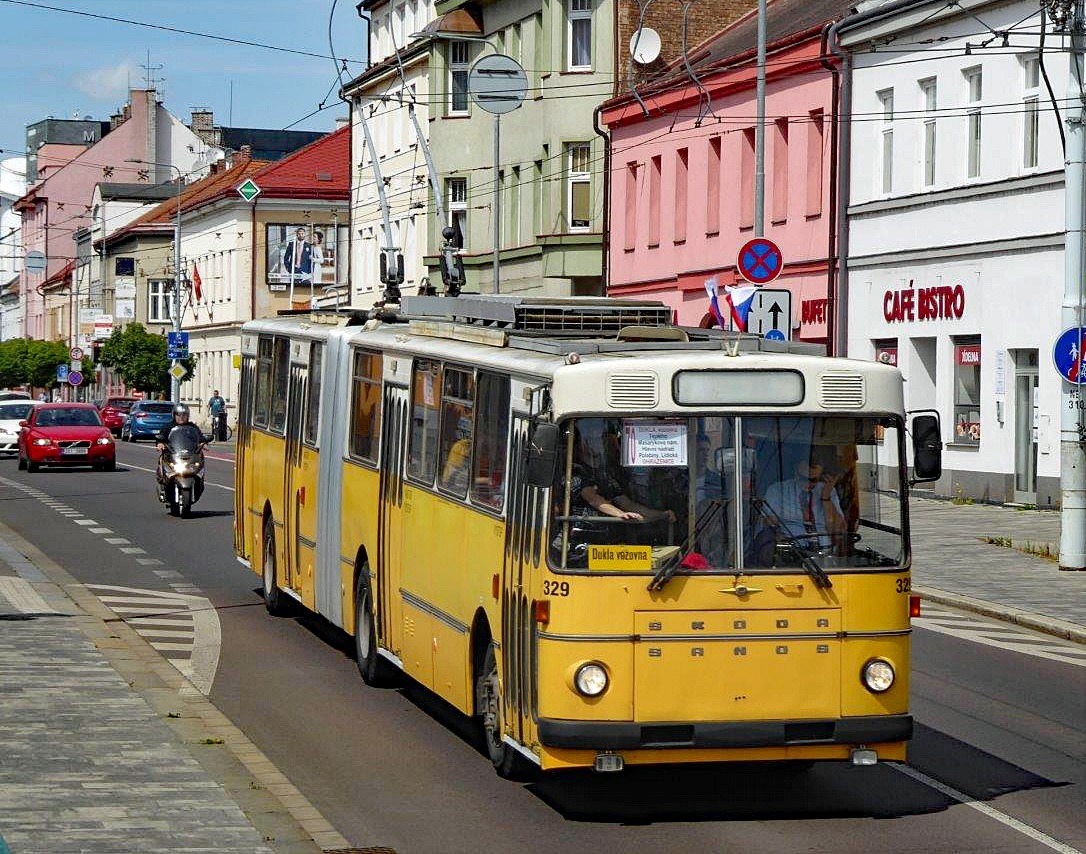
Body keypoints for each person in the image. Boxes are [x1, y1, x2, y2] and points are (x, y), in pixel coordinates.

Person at [761, 458, 845, 552]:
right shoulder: (777, 490)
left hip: (825, 552)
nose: (807, 483)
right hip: (792, 551)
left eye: (813, 480)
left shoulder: (828, 490)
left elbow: (837, 530)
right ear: (795, 471)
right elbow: (768, 525)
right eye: (803, 478)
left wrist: (826, 498)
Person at [154, 404, 206, 501]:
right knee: (162, 460)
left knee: (200, 463)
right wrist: (160, 443)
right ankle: (162, 479)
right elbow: (161, 436)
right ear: (174, 415)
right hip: (172, 454)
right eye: (178, 414)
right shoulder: (169, 426)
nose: (181, 417)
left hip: (189, 454)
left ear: (188, 415)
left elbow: (200, 437)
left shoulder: (192, 427)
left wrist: (203, 443)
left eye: (184, 415)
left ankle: (199, 483)